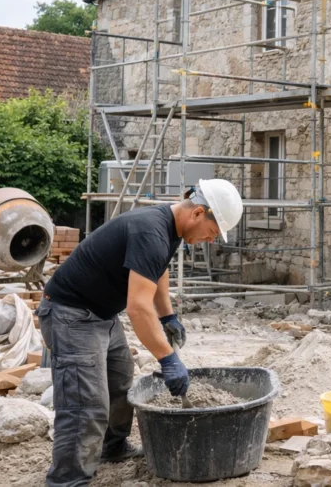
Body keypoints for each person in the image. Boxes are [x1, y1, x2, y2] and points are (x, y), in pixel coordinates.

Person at [37, 179, 242, 487]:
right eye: (213, 233)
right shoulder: (151, 231)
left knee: (120, 382)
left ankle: (112, 446)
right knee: (85, 406)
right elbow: (137, 308)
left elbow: (157, 270)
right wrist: (168, 359)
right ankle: (68, 480)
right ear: (198, 213)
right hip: (71, 315)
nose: (210, 241)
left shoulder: (169, 228)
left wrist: (168, 314)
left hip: (100, 313)